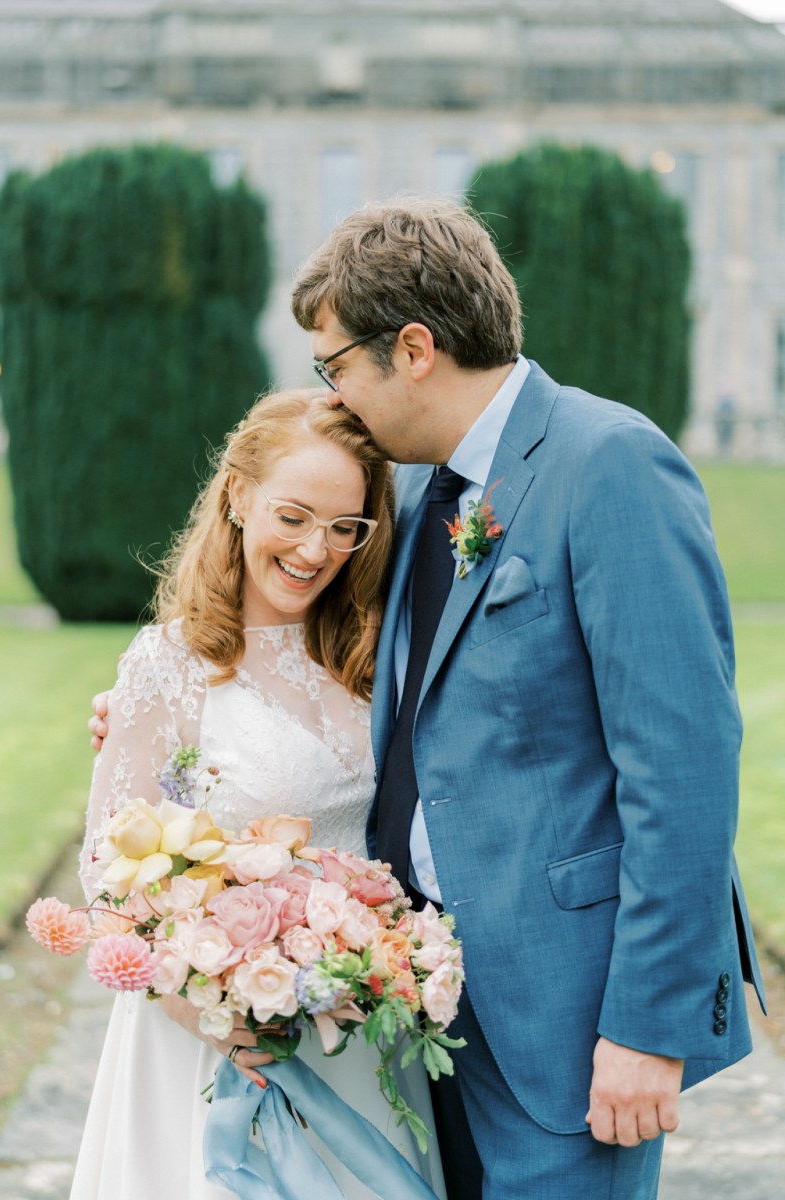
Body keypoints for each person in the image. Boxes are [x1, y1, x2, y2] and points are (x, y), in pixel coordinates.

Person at [283, 197, 767, 1200]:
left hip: (569, 1020)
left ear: (411, 348)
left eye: (334, 367)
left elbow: (680, 768)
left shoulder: (610, 464)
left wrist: (646, 1026)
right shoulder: (422, 495)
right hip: (424, 1014)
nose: (332, 400)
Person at [75, 389, 448, 1200]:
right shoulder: (168, 664)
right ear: (238, 495)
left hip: (355, 1030)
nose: (317, 550)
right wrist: (203, 1002)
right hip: (209, 1038)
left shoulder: (375, 651)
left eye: (346, 527)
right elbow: (107, 872)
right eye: (294, 516)